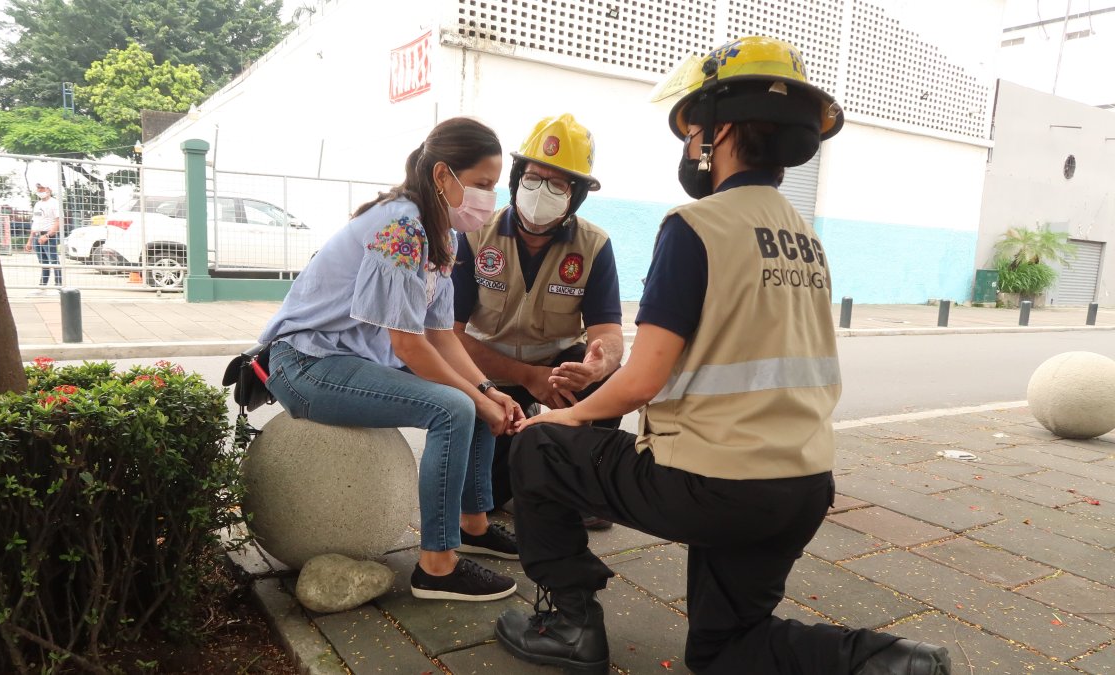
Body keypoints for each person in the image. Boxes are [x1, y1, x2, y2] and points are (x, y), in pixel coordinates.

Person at [493, 37, 952, 674]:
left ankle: (570, 624)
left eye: (693, 133)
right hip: (801, 488)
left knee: (539, 449)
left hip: (714, 485)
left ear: (722, 131)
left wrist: (558, 419)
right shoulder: (804, 238)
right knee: (723, 651)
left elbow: (642, 380)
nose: (688, 149)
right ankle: (891, 661)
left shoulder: (696, 226)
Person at [258, 117, 526, 602]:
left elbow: (440, 334)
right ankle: (437, 567)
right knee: (455, 407)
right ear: (444, 176)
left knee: (480, 400)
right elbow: (407, 345)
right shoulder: (401, 226)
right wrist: (474, 398)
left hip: (354, 359)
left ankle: (473, 524)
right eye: (482, 184)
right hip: (306, 365)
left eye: (493, 186)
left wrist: (489, 391)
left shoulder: (442, 233)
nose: (490, 198)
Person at [451, 114, 624, 530]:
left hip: (557, 370)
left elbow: (608, 333)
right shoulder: (475, 235)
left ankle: (577, 488)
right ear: (515, 178)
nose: (539, 191)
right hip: (487, 373)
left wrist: (599, 363)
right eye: (532, 178)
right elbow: (451, 338)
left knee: (608, 383)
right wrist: (527, 377)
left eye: (557, 184)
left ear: (577, 193)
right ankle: (521, 460)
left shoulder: (594, 246)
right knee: (484, 496)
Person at [26, 183, 62, 294]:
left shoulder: (55, 203)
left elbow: (58, 221)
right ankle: (42, 286)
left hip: (48, 236)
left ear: (48, 189)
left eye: (42, 188)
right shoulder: (37, 204)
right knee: (43, 262)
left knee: (54, 261)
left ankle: (59, 286)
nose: (40, 190)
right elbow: (35, 222)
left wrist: (47, 236)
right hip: (37, 235)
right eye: (38, 188)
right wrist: (30, 240)